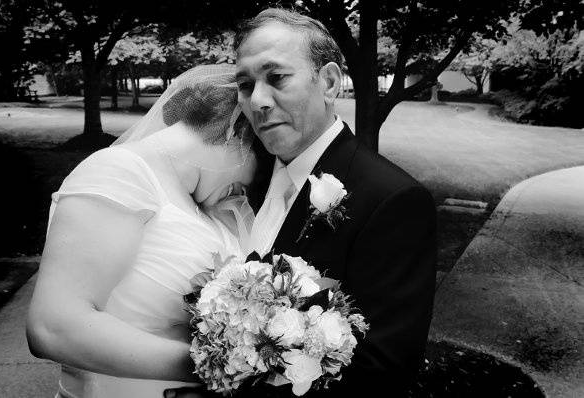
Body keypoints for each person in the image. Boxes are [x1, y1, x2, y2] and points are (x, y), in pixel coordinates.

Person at [233, 8, 436, 397]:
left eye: (276, 78)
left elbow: (383, 371)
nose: (257, 100)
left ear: (328, 83)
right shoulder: (246, 180)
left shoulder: (393, 201)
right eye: (245, 84)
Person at [26, 64, 262, 398]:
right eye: (259, 164)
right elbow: (53, 327)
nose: (243, 192)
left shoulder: (198, 205)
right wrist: (225, 365)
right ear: (238, 135)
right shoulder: (118, 172)